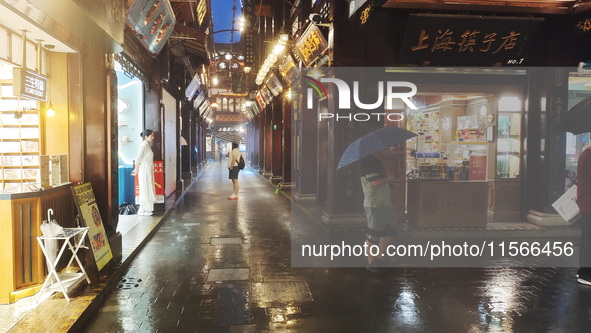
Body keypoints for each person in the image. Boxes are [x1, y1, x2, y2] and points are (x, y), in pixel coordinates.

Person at [360, 149, 396, 272]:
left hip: (384, 203)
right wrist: (389, 178)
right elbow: (375, 182)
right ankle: (371, 261)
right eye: (385, 147)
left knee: (389, 231)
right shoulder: (368, 161)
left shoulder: (378, 160)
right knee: (373, 235)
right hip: (375, 204)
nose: (387, 149)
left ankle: (381, 257)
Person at [131, 129, 157, 216]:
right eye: (151, 136)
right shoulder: (143, 146)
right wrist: (137, 169)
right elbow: (138, 158)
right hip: (144, 170)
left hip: (148, 170)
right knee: (145, 188)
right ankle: (145, 209)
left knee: (147, 187)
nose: (153, 137)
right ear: (146, 137)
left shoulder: (147, 146)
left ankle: (143, 209)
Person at [577, 144, 591, 285]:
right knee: (588, 240)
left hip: (586, 202)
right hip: (589, 204)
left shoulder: (585, 154)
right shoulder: (588, 156)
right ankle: (585, 274)